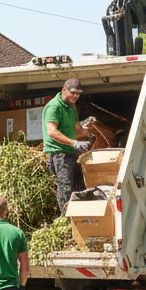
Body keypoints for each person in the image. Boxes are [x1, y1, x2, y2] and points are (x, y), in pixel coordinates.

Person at [43, 78, 91, 212]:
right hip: (60, 154)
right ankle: (66, 220)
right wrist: (75, 143)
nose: (76, 96)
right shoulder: (55, 106)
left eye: (78, 93)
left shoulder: (71, 107)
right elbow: (52, 131)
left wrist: (88, 134)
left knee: (80, 186)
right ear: (64, 90)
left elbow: (77, 127)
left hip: (72, 153)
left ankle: (80, 217)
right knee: (66, 188)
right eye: (73, 92)